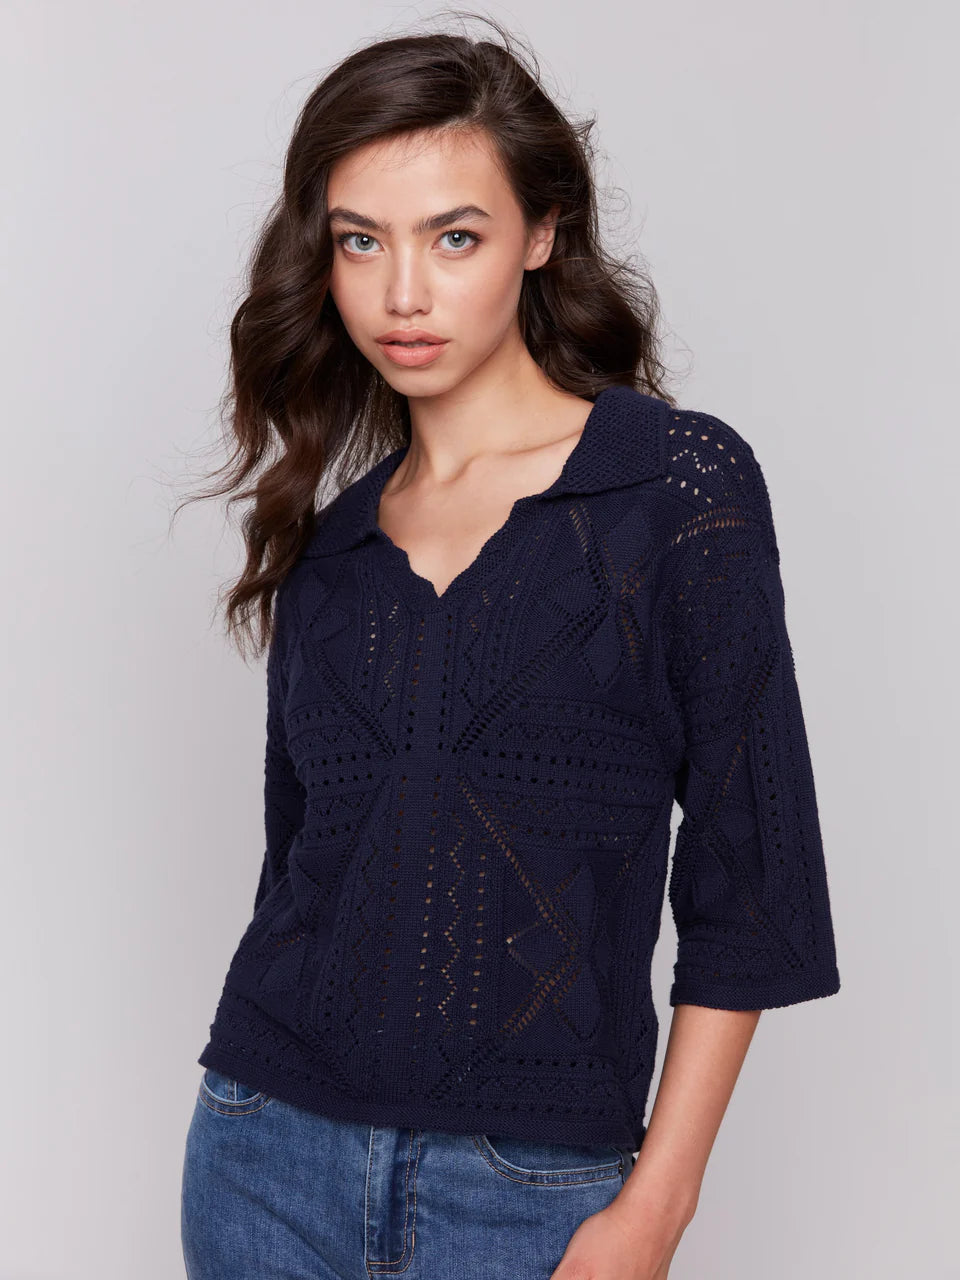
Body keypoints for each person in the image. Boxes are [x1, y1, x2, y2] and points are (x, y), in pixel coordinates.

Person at [179, 16, 841, 1280]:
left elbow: (753, 882)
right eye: (360, 240)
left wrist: (656, 1210)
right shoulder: (333, 549)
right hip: (265, 1157)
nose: (402, 293)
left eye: (455, 236)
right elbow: (301, 871)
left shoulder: (674, 490)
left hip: (530, 1190)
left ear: (541, 233)